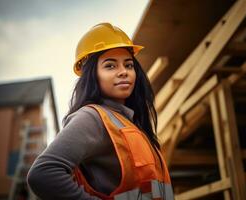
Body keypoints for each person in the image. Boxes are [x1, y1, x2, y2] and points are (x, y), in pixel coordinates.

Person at [27, 22, 174, 200]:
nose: (123, 72)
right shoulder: (92, 117)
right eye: (110, 66)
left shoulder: (131, 122)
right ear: (93, 75)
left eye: (128, 65)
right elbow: (42, 174)